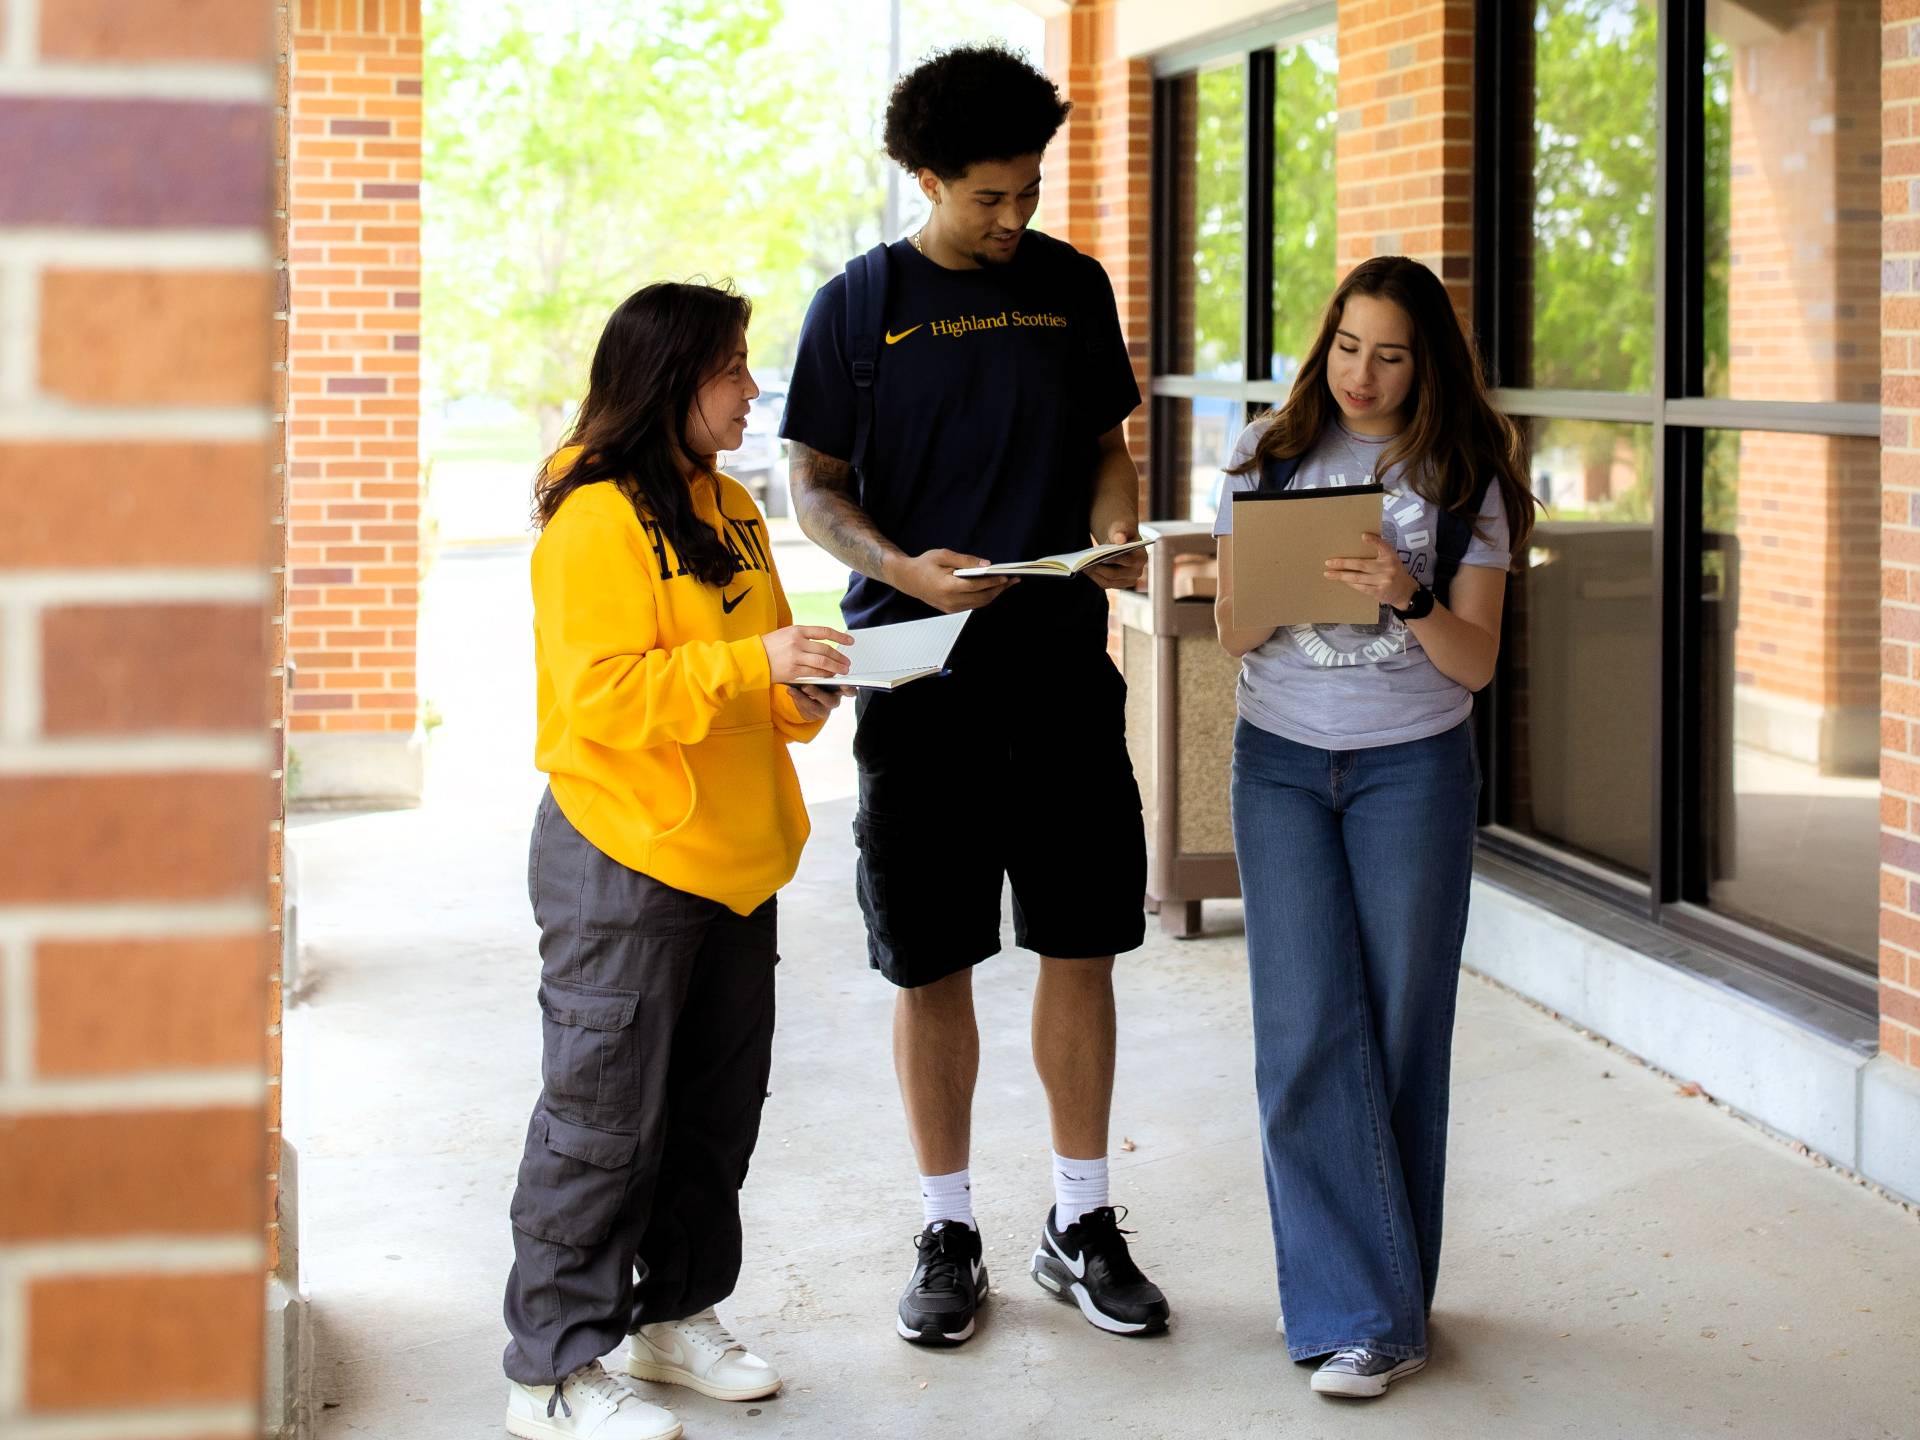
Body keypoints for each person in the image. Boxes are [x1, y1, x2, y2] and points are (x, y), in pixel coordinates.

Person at [779, 43, 1171, 1347]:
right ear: (928, 176)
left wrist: (1115, 534)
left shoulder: (1071, 288)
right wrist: (901, 569)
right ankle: (947, 1227)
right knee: (931, 958)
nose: (1016, 219)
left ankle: (1080, 1220)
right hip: (915, 679)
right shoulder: (858, 305)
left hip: (1061, 669)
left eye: (1030, 192)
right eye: (990, 197)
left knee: (1082, 941)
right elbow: (814, 483)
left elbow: (1108, 451)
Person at [502, 280, 852, 1440]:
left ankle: (674, 1316)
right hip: (627, 856)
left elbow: (756, 666)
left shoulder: (729, 504)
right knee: (600, 1123)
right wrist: (753, 668)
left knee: (712, 1115)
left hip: (737, 859)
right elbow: (594, 701)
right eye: (734, 368)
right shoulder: (595, 516)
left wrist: (806, 689)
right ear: (672, 378)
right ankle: (552, 1369)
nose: (754, 389)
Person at [1212, 255, 1535, 1399]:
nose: (1363, 372)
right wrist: (1270, 572)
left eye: (1391, 353)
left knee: (1401, 1035)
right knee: (1301, 1034)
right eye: (1349, 345)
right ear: (1326, 341)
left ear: (1425, 359)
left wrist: (1405, 590)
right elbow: (1234, 633)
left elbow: (1476, 659)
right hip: (1283, 768)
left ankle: (1386, 1307)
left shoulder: (1464, 477)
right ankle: (1358, 1317)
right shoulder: (1263, 451)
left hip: (1414, 773)